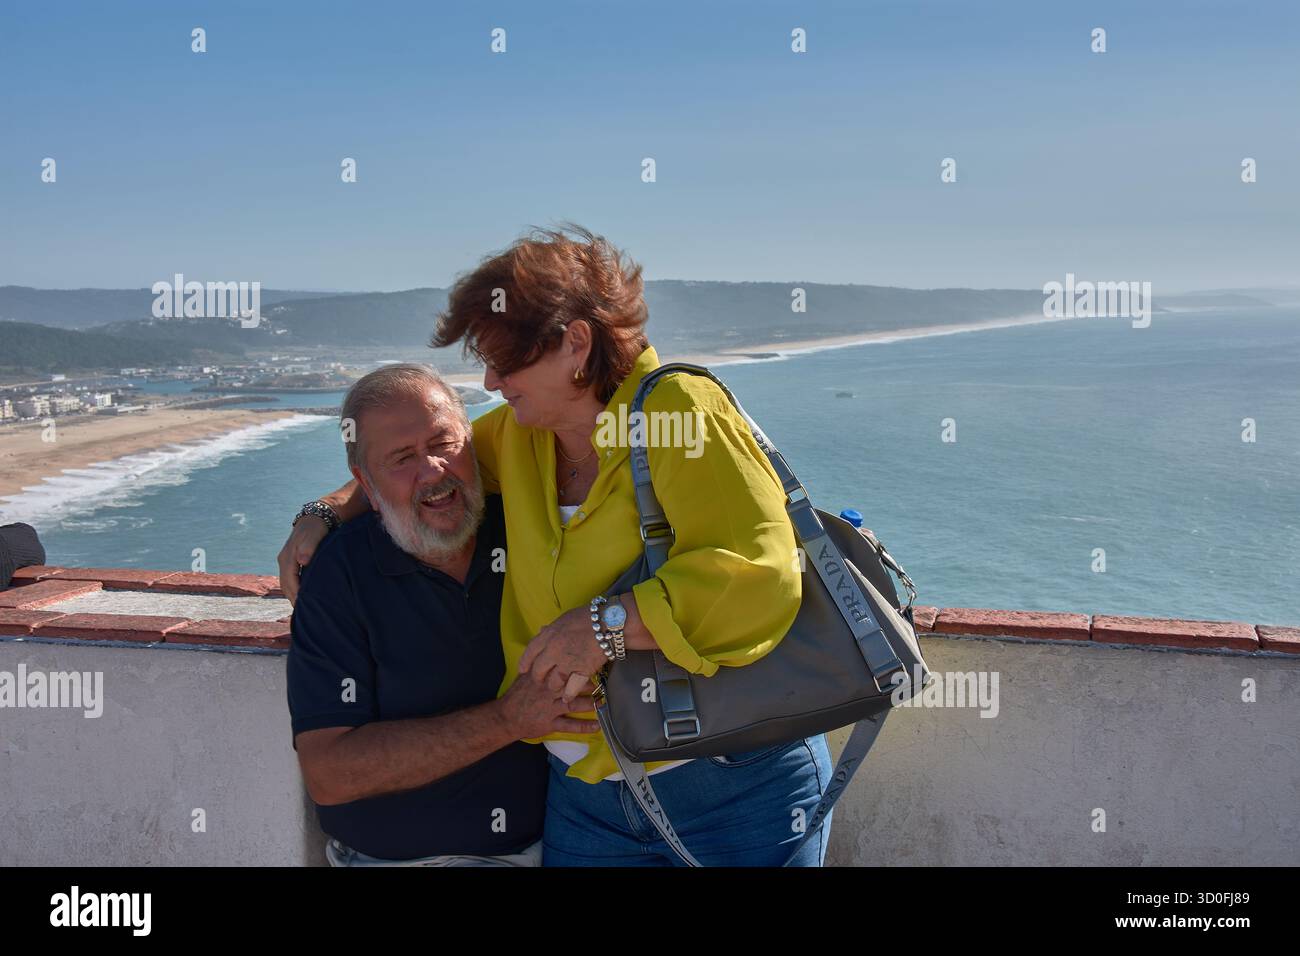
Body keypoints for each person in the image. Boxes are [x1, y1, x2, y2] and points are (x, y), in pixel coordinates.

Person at [280, 225, 834, 866]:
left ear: (575, 343)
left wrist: (605, 626)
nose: (489, 380)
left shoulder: (678, 413)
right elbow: (422, 467)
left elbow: (759, 576)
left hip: (727, 783)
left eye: (504, 360)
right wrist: (322, 512)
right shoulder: (524, 436)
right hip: (587, 795)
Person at [286, 363, 596, 866]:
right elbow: (330, 774)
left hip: (550, 850)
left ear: (473, 442)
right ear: (364, 479)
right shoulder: (339, 575)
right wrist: (507, 719)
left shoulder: (528, 520)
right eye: (402, 457)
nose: (432, 471)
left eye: (443, 443)